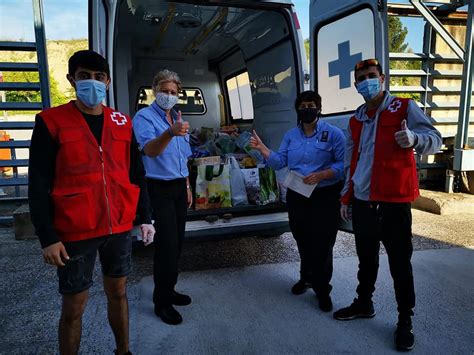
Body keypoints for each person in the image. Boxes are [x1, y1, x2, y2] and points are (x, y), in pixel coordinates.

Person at [28, 50, 155, 355]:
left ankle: (123, 351)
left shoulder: (122, 122)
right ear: (72, 79)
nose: (92, 84)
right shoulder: (51, 121)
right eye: (84, 76)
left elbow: (136, 174)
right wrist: (48, 236)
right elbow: (38, 183)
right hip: (74, 231)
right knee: (74, 306)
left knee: (119, 292)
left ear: (108, 82)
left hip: (119, 226)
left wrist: (146, 217)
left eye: (99, 78)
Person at [333, 58, 442, 351]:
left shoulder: (404, 107)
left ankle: (405, 319)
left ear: (381, 78)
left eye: (371, 75)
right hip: (363, 200)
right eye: (361, 78)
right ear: (356, 85)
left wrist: (414, 138)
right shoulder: (356, 119)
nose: (366, 81)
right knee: (366, 261)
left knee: (399, 265)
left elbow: (436, 139)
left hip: (393, 203)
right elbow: (350, 161)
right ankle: (364, 303)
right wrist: (347, 195)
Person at [250, 90, 346, 312]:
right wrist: (263, 149)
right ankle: (307, 278)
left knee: (322, 243)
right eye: (302, 107)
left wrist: (322, 175)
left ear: (319, 108)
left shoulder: (333, 134)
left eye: (310, 105)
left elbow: (344, 166)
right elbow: (279, 162)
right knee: (302, 238)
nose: (306, 110)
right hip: (298, 193)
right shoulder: (291, 135)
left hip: (324, 194)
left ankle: (323, 289)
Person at [132, 69, 193, 325]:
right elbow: (150, 150)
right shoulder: (143, 117)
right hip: (158, 188)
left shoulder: (178, 117)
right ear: (155, 91)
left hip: (179, 187)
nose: (169, 96)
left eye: (173, 92)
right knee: (166, 246)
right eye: (165, 91)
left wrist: (188, 185)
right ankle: (162, 302)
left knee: (177, 243)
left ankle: (170, 289)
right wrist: (169, 133)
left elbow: (183, 157)